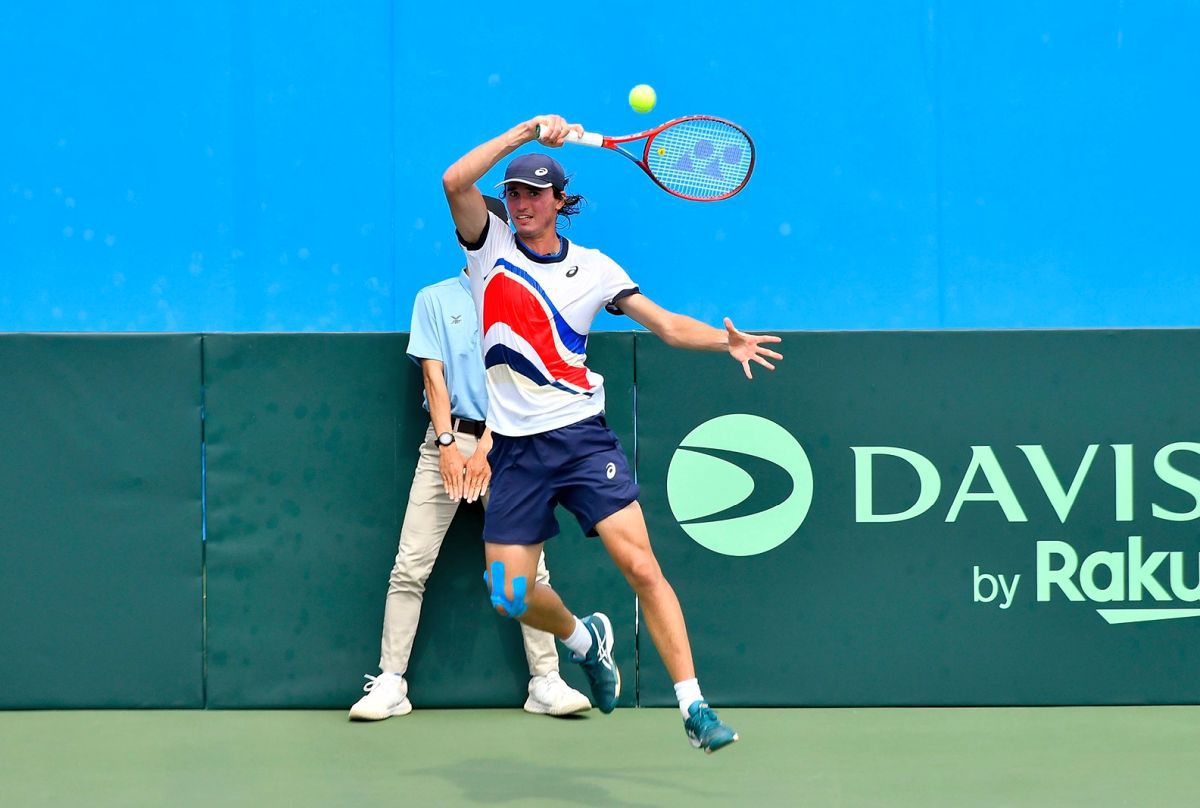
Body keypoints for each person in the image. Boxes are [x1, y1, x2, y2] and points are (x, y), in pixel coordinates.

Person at [441, 114, 783, 753]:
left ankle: (694, 708)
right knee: (507, 593)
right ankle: (583, 639)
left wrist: (723, 341)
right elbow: (455, 180)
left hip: (580, 438)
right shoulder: (489, 247)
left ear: (559, 202)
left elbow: (668, 325)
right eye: (513, 193)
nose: (520, 203)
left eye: (533, 194)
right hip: (516, 451)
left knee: (641, 564)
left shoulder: (596, 269)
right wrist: (522, 135)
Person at [349, 195, 591, 721]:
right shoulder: (434, 299)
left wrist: (487, 448)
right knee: (409, 568)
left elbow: (526, 383)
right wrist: (447, 447)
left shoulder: (532, 298)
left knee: (528, 577)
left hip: (512, 447)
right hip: (446, 444)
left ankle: (546, 682)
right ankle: (391, 683)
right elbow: (433, 376)